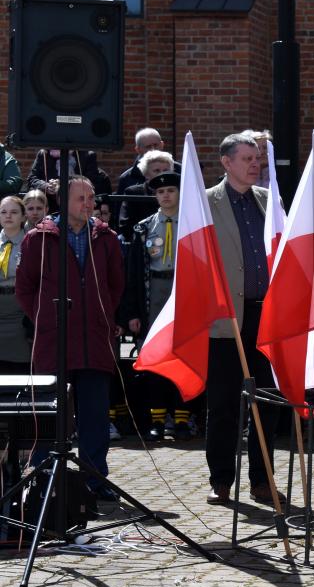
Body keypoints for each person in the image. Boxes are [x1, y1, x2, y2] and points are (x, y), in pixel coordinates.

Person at [16, 176, 124, 500]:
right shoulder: (38, 238)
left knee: (94, 414)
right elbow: (25, 288)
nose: (89, 204)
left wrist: (99, 313)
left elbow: (115, 285)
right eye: (82, 198)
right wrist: (45, 319)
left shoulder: (106, 238)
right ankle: (42, 478)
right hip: (54, 342)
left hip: (94, 342)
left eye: (91, 198)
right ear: (64, 200)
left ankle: (94, 480)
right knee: (51, 414)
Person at [204, 133, 279, 505]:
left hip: (266, 315)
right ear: (226, 162)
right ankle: (221, 479)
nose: (255, 164)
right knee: (223, 403)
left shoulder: (269, 201)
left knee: (267, 399)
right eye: (247, 158)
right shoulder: (204, 203)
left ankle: (262, 481)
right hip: (225, 317)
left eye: (257, 158)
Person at [118, 172, 200, 441]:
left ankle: (181, 418)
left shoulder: (192, 225)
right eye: (160, 191)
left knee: (184, 355)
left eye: (171, 191)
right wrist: (132, 313)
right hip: (154, 292)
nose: (165, 195)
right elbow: (132, 274)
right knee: (156, 359)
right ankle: (156, 419)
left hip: (183, 291)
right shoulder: (144, 227)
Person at [0, 196, 30, 374]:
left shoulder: (30, 243)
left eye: (13, 212)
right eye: (3, 212)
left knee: (20, 366)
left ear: (23, 216)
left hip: (20, 310)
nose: (8, 216)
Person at [26, 149, 112, 210]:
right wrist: (47, 186)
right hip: (51, 207)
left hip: (78, 206)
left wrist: (64, 185)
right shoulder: (44, 154)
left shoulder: (87, 155)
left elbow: (91, 182)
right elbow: (32, 178)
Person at [115, 150, 175, 238]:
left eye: (165, 170)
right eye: (157, 171)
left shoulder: (178, 193)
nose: (162, 174)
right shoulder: (133, 193)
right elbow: (125, 226)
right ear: (146, 174)